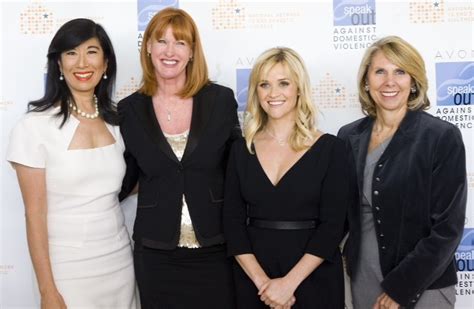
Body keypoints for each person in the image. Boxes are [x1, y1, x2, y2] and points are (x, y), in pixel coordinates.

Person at [6, 19, 138, 308]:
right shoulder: (34, 128)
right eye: (71, 53)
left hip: (119, 261)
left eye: (92, 52)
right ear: (58, 64)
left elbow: (142, 179)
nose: (82, 62)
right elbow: (34, 215)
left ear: (105, 65)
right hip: (67, 270)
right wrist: (47, 291)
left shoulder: (119, 122)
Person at [118, 7, 240, 308]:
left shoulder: (220, 100)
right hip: (156, 253)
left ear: (192, 51)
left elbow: (239, 171)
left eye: (180, 42)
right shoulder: (129, 110)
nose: (169, 51)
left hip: (216, 248)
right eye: (161, 41)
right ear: (147, 47)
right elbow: (124, 174)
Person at [337, 36, 467, 309]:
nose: (389, 82)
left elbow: (448, 228)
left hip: (423, 282)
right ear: (366, 80)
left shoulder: (441, 137)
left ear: (414, 80)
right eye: (380, 71)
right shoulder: (349, 136)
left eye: (400, 71)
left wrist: (401, 288)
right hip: (363, 277)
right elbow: (340, 216)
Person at [223, 47, 349, 309]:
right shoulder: (241, 148)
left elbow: (334, 226)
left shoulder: (331, 149)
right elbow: (232, 223)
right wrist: (263, 285)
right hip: (253, 281)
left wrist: (288, 284)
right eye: (264, 85)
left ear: (299, 88)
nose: (273, 93)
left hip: (313, 278)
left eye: (283, 83)